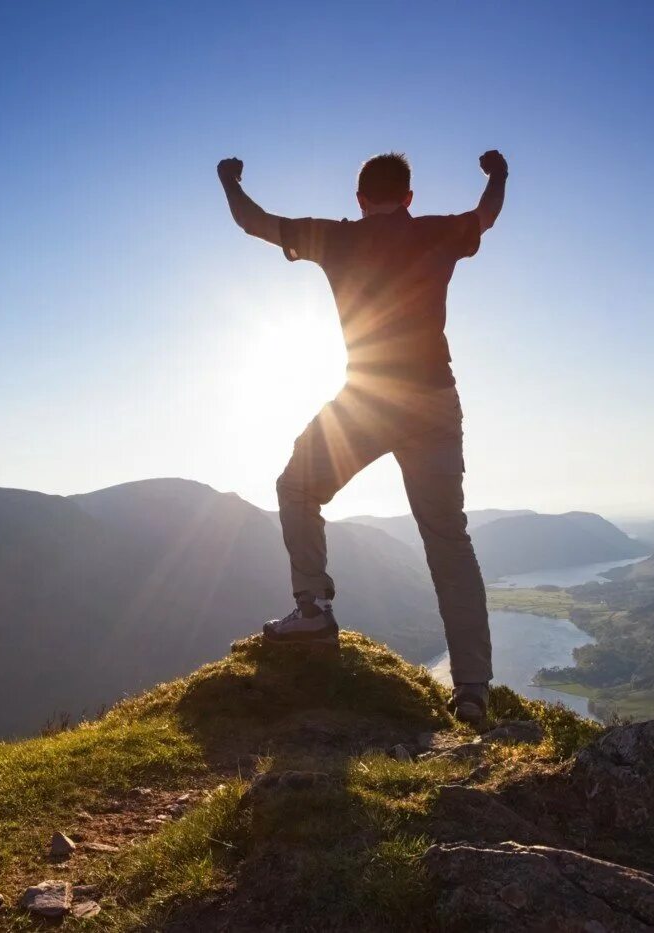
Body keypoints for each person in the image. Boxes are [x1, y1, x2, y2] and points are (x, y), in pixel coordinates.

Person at [217, 149, 507, 725]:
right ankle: (472, 688)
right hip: (434, 401)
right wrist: (498, 172)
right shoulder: (436, 233)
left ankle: (313, 609)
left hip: (370, 399)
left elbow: (252, 221)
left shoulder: (336, 239)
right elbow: (489, 212)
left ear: (358, 199)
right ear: (408, 197)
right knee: (449, 539)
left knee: (297, 486)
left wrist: (229, 180)